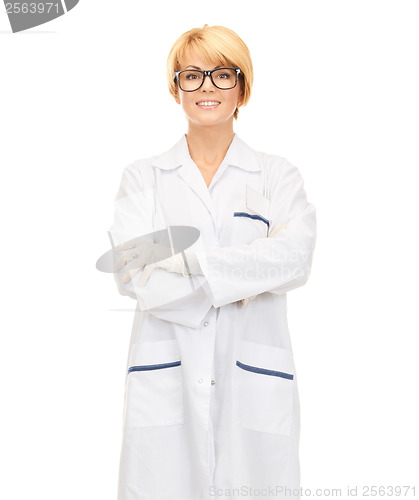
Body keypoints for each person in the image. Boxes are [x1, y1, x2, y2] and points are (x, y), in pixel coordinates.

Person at [108, 24, 317, 500]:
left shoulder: (277, 176)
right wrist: (246, 273)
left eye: (222, 75)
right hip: (167, 374)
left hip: (252, 381)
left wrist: (185, 260)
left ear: (242, 87)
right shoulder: (144, 177)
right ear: (174, 88)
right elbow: (130, 269)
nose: (207, 87)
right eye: (192, 75)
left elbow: (294, 259)